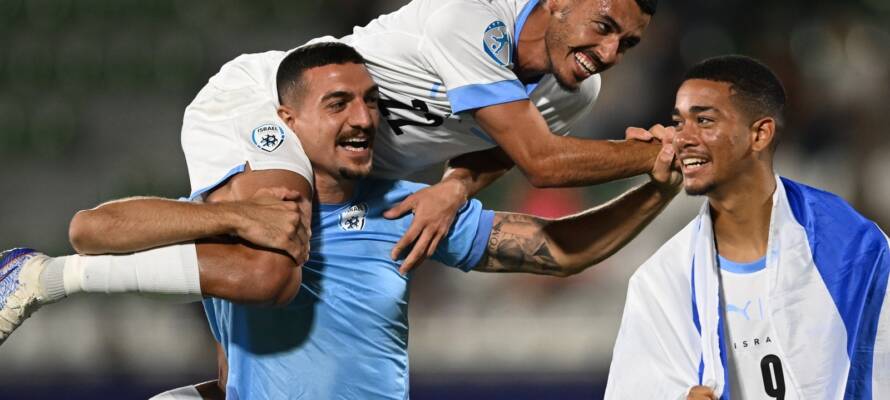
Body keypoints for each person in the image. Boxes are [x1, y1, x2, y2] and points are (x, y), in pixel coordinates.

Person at [1, 42, 681, 399]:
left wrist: (658, 187)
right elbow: (92, 228)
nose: (362, 117)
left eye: (369, 102)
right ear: (287, 121)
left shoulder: (403, 203)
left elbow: (555, 252)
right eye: (338, 104)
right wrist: (237, 216)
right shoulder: (241, 215)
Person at [181, 0, 663, 275]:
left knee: (250, 359)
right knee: (269, 262)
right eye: (604, 27)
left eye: (627, 43)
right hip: (269, 104)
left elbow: (504, 150)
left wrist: (454, 188)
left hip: (354, 174)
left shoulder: (576, 92)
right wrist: (663, 152)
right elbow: (542, 161)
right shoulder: (472, 16)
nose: (608, 53)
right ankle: (108, 258)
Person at [604, 55, 890, 400]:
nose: (682, 138)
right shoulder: (662, 282)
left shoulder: (854, 250)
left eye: (705, 121)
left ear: (759, 134)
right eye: (679, 123)